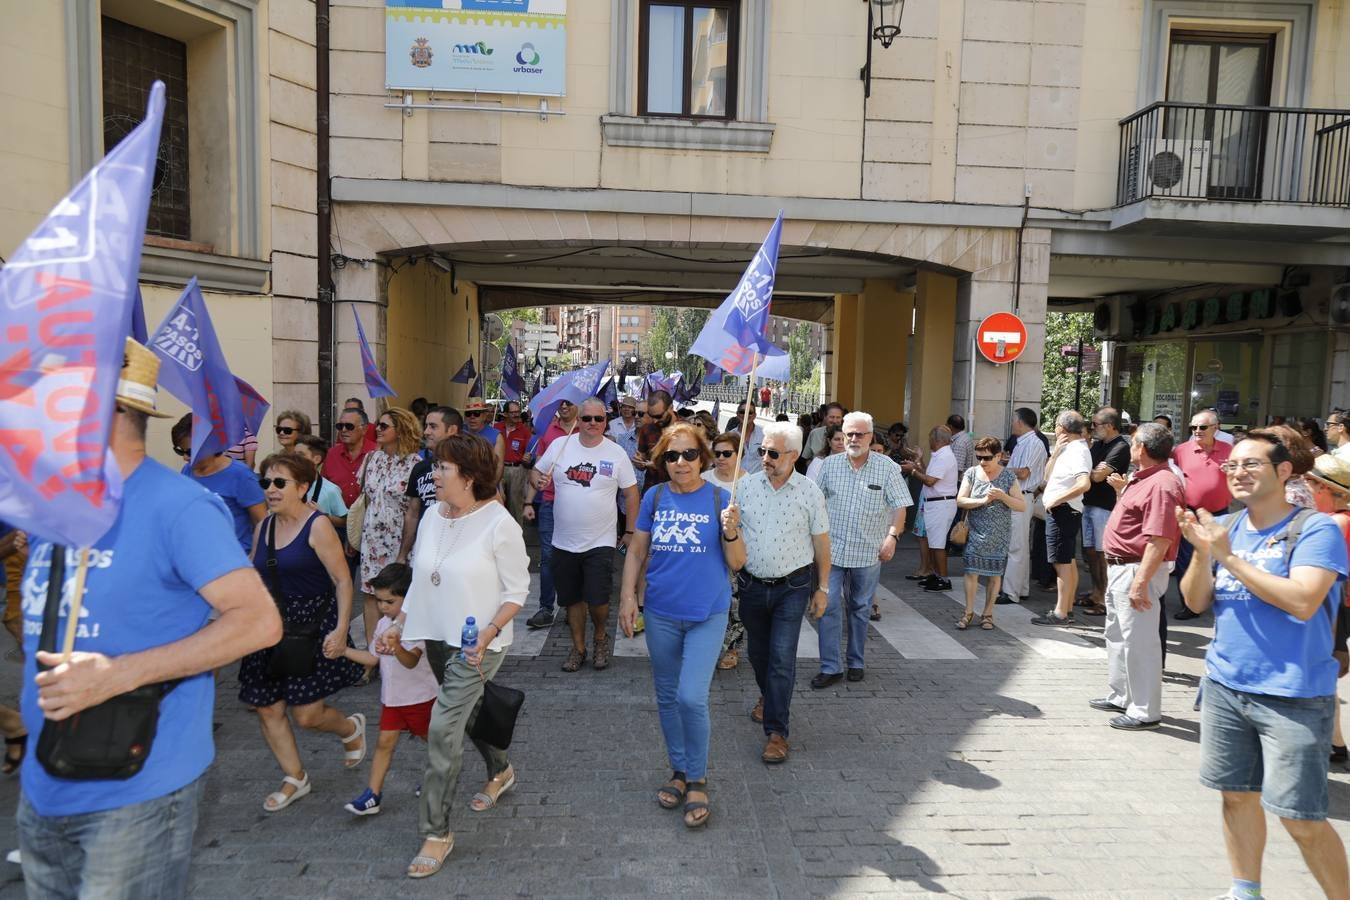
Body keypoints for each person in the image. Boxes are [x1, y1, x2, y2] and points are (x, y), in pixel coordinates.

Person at [17, 340, 279, 897]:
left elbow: (258, 622)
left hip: (137, 786)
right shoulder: (52, 502)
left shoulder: (177, 506)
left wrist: (119, 673)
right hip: (44, 782)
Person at [1178, 433, 1350, 900]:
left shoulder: (1317, 529)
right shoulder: (1227, 527)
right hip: (1226, 686)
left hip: (1293, 695)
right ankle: (1245, 890)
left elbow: (1302, 601)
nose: (1238, 473)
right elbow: (1194, 602)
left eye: (1251, 464)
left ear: (1284, 472)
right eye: (1231, 466)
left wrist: (1227, 557)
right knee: (1235, 796)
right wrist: (1201, 549)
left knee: (1302, 819)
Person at [400, 434, 529, 879]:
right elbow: (421, 578)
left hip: (480, 644)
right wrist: (401, 624)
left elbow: (517, 592)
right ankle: (501, 769)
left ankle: (436, 832)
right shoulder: (435, 517)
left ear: (469, 477)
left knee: (442, 727)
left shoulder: (499, 524)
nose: (433, 475)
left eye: (442, 469)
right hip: (438, 637)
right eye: (435, 466)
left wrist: (489, 632)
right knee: (467, 717)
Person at [618, 423, 745, 828]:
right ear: (663, 461)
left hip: (707, 613)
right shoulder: (655, 497)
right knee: (668, 697)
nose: (681, 463)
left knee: (692, 697)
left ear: (703, 458)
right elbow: (637, 551)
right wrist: (627, 597)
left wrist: (731, 530)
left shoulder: (719, 499)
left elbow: (739, 563)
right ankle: (678, 769)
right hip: (660, 613)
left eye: (690, 454)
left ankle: (698, 775)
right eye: (672, 456)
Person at [240, 452, 367, 812]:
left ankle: (349, 729)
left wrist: (342, 629)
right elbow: (254, 572)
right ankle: (295, 777)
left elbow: (343, 581)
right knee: (267, 707)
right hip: (270, 625)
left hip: (310, 626)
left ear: (302, 487)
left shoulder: (318, 526)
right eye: (266, 483)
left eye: (280, 483)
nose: (271, 490)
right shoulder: (264, 525)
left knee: (307, 715)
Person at [735, 421, 831, 764]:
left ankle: (777, 733)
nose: (765, 458)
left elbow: (821, 543)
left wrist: (822, 588)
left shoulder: (809, 492)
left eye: (773, 453)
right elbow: (732, 534)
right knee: (758, 657)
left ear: (792, 455)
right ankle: (768, 696)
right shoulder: (744, 487)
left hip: (793, 586)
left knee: (781, 659)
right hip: (751, 585)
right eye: (762, 450)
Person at [1089, 423, 1184, 730]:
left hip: (1136, 568)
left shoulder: (1162, 483)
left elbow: (1160, 538)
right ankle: (1121, 695)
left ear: (1141, 448)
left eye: (1132, 444)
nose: (1130, 449)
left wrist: (1141, 582)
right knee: (1118, 636)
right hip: (1122, 567)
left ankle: (1144, 710)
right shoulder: (1145, 479)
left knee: (1139, 642)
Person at [533, 398, 639, 672]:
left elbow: (630, 493)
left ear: (606, 421)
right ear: (578, 420)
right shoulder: (559, 446)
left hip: (600, 541)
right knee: (571, 600)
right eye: (587, 418)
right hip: (563, 540)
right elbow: (536, 473)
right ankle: (578, 648)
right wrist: (538, 480)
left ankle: (600, 637)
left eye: (598, 419)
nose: (592, 424)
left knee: (598, 600)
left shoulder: (615, 453)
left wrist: (630, 531)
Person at [813, 413, 911, 682]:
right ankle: (830, 667)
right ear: (842, 435)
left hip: (868, 551)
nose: (854, 439)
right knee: (829, 605)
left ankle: (856, 661)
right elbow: (815, 504)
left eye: (860, 434)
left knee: (860, 607)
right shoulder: (829, 466)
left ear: (870, 436)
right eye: (849, 434)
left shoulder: (887, 467)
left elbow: (900, 505)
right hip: (831, 551)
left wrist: (892, 536)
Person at [341, 563, 439, 816]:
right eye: (379, 601)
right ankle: (373, 793)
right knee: (384, 742)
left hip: (420, 698)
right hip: (392, 699)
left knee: (435, 742)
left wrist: (397, 648)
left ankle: (437, 776)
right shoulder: (384, 624)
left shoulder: (417, 624)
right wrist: (343, 651)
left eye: (390, 601)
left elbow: (411, 661)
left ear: (408, 600)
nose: (383, 607)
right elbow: (373, 659)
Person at [1304, 454, 1350, 762]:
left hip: (1335, 609)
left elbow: (1331, 577)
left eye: (1311, 483)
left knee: (1322, 671)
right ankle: (1335, 743)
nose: (1306, 488)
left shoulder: (1337, 522)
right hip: (1336, 607)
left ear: (1324, 488)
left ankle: (1332, 743)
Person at [171, 414, 267, 554]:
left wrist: (253, 559)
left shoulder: (241, 475)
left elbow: (262, 523)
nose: (185, 457)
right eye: (180, 451)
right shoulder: (187, 471)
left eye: (190, 452)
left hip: (234, 562)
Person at [1031, 411, 1093, 627]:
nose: (1055, 429)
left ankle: (1061, 612)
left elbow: (1084, 484)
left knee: (1061, 564)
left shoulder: (1078, 451)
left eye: (1056, 425)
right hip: (1063, 511)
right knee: (1067, 562)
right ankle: (1065, 608)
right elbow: (1047, 476)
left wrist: (1057, 500)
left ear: (1062, 428)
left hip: (1064, 511)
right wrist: (1056, 453)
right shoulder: (1068, 448)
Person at [955, 437, 1024, 630]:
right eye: (979, 457)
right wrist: (982, 501)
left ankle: (987, 614)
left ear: (999, 456)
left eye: (987, 458)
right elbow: (960, 500)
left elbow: (1021, 505)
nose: (983, 462)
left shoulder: (1008, 476)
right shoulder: (972, 473)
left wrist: (1003, 496)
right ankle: (968, 612)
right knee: (971, 572)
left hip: (999, 534)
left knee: (994, 575)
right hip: (975, 531)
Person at [522, 399, 580, 629]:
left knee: (573, 557)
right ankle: (546, 608)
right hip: (549, 502)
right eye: (560, 403)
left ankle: (571, 605)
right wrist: (529, 500)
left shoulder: (586, 428)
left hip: (577, 504)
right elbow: (537, 470)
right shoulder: (547, 431)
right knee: (548, 558)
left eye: (568, 403)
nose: (563, 407)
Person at [1172, 408, 1234, 621]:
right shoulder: (1181, 451)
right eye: (1194, 427)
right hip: (1191, 513)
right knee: (1187, 559)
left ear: (1216, 428)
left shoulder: (1229, 450)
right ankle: (1189, 604)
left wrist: (1233, 472)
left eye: (1203, 427)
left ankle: (1222, 600)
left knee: (1221, 559)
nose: (1197, 431)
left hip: (1220, 513)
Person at [1079, 408, 1132, 617]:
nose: (1092, 429)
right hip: (1089, 503)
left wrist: (1089, 472)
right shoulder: (1098, 445)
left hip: (1105, 507)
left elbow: (1098, 475)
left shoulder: (1120, 447)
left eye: (1096, 425)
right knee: (1091, 553)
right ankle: (1096, 592)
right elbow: (1085, 470)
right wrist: (1088, 472)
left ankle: (1105, 600)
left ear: (1110, 425)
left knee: (1103, 555)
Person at [705, 432, 748, 670]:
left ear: (738, 454)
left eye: (727, 454)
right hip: (707, 552)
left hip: (735, 550)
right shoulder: (703, 478)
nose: (721, 458)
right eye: (717, 453)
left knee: (734, 603)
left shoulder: (749, 482)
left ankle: (732, 648)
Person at [398, 406, 462, 564]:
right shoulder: (420, 468)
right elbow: (413, 514)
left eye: (433, 427)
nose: (426, 432)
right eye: (426, 426)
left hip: (460, 550)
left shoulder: (470, 467)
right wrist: (402, 554)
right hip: (425, 550)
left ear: (452, 430)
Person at [999, 407, 1048, 605]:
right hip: (1019, 496)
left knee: (1016, 546)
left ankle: (1011, 592)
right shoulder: (1023, 443)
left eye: (1013, 420)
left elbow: (1024, 473)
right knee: (1020, 545)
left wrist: (1000, 467)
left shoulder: (1033, 443)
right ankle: (1021, 588)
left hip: (1022, 496)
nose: (1012, 424)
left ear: (1020, 422)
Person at [912, 426, 959, 593]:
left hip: (941, 504)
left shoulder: (944, 456)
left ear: (937, 440)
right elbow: (928, 475)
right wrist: (917, 464)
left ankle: (943, 579)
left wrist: (912, 471)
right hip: (935, 503)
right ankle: (935, 574)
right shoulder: (940, 455)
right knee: (933, 542)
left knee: (938, 544)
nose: (929, 441)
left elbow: (930, 481)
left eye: (930, 438)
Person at [293, 434, 349, 531]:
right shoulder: (286, 484)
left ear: (316, 459)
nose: (294, 459)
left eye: (301, 455)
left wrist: (323, 516)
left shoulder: (331, 490)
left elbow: (345, 521)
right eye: (294, 454)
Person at [323, 406, 376, 508]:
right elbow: (324, 488)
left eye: (349, 426)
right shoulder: (331, 454)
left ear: (364, 429)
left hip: (366, 519)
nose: (343, 430)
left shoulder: (376, 454)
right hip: (335, 518)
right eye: (340, 426)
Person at [496, 400, 533, 524]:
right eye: (513, 412)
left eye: (518, 412)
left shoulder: (524, 431)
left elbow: (530, 453)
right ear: (505, 414)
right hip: (497, 468)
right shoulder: (496, 428)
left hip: (517, 470)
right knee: (497, 502)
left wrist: (528, 458)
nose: (517, 415)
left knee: (515, 504)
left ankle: (517, 534)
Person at [636, 390, 676, 488]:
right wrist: (640, 463)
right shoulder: (647, 429)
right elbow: (642, 459)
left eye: (659, 416)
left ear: (671, 408)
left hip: (678, 491)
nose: (655, 421)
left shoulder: (686, 430)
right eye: (651, 415)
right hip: (651, 489)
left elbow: (692, 466)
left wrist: (659, 466)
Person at [462, 399, 506, 480]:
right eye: (468, 414)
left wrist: (491, 487)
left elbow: (499, 466)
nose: (472, 417)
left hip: (486, 485)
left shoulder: (496, 436)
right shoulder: (458, 433)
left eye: (476, 414)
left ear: (484, 416)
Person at [734, 401, 766, 474]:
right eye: (742, 412)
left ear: (754, 415)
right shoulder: (730, 436)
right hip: (737, 481)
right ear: (737, 414)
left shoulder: (764, 435)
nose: (746, 415)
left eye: (750, 412)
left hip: (758, 481)